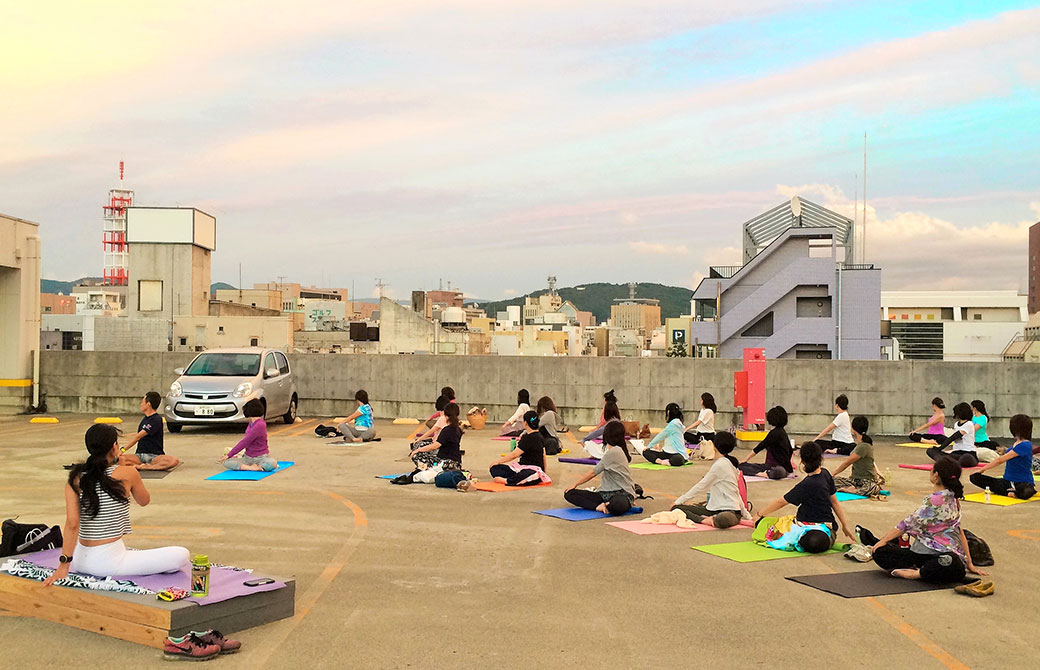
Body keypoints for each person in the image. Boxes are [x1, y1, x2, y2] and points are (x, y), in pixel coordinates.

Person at [43, 424, 190, 586]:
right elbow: (144, 500)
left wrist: (64, 565)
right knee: (181, 555)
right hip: (108, 562)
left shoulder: (76, 478)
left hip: (79, 560)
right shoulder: (127, 473)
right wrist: (124, 467)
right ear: (114, 447)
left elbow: (72, 524)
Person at [858, 457, 987, 583]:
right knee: (882, 551)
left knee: (951, 563)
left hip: (939, 556)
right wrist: (968, 561)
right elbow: (959, 531)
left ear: (936, 475)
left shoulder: (935, 501)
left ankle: (917, 573)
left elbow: (905, 525)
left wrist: (883, 541)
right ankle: (925, 569)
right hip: (924, 554)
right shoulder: (954, 498)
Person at [753, 441, 857, 547]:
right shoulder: (820, 476)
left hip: (824, 529)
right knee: (775, 527)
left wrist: (758, 514)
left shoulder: (812, 481)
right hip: (802, 524)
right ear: (821, 458)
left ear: (802, 461)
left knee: (813, 541)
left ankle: (798, 537)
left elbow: (781, 502)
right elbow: (834, 502)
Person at [671, 433, 750, 528]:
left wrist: (678, 501)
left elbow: (700, 486)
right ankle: (720, 519)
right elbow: (736, 492)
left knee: (721, 519)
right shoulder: (728, 463)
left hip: (728, 512)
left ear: (714, 446)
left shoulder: (720, 465)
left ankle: (704, 520)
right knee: (677, 509)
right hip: (719, 510)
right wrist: (746, 514)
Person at [564, 422, 635, 515]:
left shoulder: (614, 452)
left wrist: (575, 484)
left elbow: (593, 473)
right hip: (605, 494)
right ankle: (606, 505)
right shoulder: (619, 450)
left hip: (619, 494)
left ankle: (599, 507)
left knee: (618, 503)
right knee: (570, 494)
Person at [969, 414, 1036, 499]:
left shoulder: (1026, 445)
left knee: (1026, 491)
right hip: (1007, 481)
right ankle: (1010, 491)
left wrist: (982, 469)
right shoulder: (1016, 443)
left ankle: (1008, 492)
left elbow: (1000, 460)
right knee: (974, 477)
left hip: (1022, 482)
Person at [118, 392, 179, 471]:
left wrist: (122, 450)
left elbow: (139, 436)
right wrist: (122, 436)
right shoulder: (145, 419)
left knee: (173, 461)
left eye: (143, 402)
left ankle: (146, 467)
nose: (141, 404)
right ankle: (138, 465)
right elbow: (138, 434)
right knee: (115, 460)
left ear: (148, 404)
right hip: (139, 456)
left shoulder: (156, 419)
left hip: (154, 456)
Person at [488, 411, 551, 486]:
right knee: (495, 468)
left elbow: (514, 455)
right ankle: (514, 478)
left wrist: (498, 461)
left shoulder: (529, 438)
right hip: (520, 467)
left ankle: (507, 481)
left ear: (525, 423)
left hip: (533, 469)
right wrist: (544, 469)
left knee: (530, 475)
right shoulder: (539, 436)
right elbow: (543, 454)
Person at [831, 416, 884, 498]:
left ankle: (850, 490)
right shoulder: (861, 445)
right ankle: (854, 489)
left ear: (853, 428)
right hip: (854, 481)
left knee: (873, 488)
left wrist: (833, 473)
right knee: (832, 482)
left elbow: (847, 463)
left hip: (866, 481)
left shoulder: (863, 446)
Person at [220, 399, 277, 471]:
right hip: (247, 457)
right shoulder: (251, 423)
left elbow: (245, 441)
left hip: (261, 457)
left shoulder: (260, 424)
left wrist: (229, 454)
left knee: (272, 463)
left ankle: (254, 467)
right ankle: (253, 468)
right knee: (227, 462)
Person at [739, 405, 793, 480]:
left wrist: (746, 459)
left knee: (741, 466)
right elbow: (790, 450)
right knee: (745, 466)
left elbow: (760, 447)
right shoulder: (783, 433)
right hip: (782, 468)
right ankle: (767, 472)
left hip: (776, 467)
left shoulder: (775, 433)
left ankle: (762, 473)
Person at [409, 403, 464, 474]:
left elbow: (435, 446)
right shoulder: (458, 429)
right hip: (457, 463)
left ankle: (428, 468)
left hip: (446, 463)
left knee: (417, 455)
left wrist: (418, 450)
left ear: (445, 415)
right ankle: (430, 467)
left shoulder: (447, 430)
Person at [926, 402, 979, 468]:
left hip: (968, 454)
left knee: (966, 458)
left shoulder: (969, 424)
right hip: (955, 454)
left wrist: (940, 448)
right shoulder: (956, 424)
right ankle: (946, 462)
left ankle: (948, 462)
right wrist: (937, 449)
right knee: (930, 450)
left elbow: (954, 436)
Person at [640, 402, 689, 467]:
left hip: (677, 454)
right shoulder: (677, 423)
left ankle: (661, 461)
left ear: (668, 413)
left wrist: (649, 446)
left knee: (678, 459)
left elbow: (660, 436)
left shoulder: (673, 424)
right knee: (646, 452)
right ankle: (662, 462)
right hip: (667, 453)